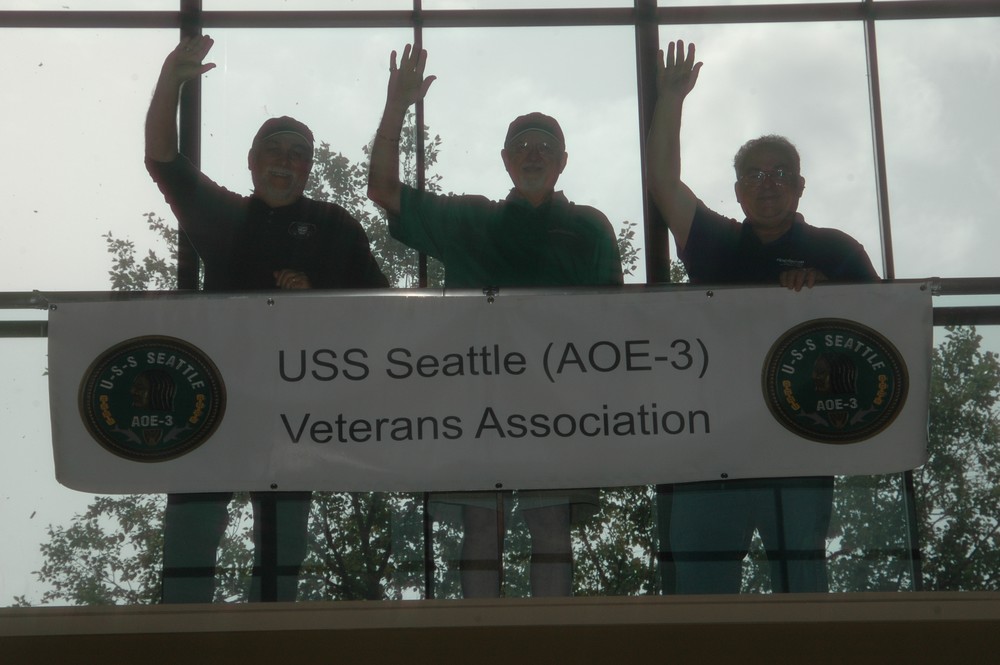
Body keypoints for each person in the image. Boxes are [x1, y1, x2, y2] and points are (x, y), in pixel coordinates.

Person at [367, 44, 623, 597]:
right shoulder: (470, 219)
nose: (533, 154)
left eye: (545, 147)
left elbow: (616, 327)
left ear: (562, 161)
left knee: (551, 525)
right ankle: (478, 635)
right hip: (475, 403)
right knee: (483, 525)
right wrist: (396, 107)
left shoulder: (590, 228)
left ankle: (552, 637)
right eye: (522, 146)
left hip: (559, 407)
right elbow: (384, 191)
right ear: (505, 160)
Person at [145, 35, 388, 603]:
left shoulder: (336, 226)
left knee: (282, 555)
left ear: (309, 168)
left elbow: (384, 313)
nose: (284, 161)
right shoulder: (224, 216)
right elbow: (162, 159)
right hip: (215, 402)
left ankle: (269, 639)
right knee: (188, 544)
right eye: (273, 150)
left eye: (297, 153)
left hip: (296, 412)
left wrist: (318, 298)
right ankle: (176, 637)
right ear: (252, 162)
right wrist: (169, 81)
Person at [646, 40, 880, 594]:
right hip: (710, 446)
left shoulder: (836, 250)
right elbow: (662, 183)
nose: (767, 182)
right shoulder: (716, 242)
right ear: (738, 191)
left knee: (802, 595)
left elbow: (878, 337)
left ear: (799, 186)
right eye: (754, 174)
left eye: (780, 172)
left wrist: (828, 298)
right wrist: (672, 98)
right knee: (699, 599)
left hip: (797, 448)